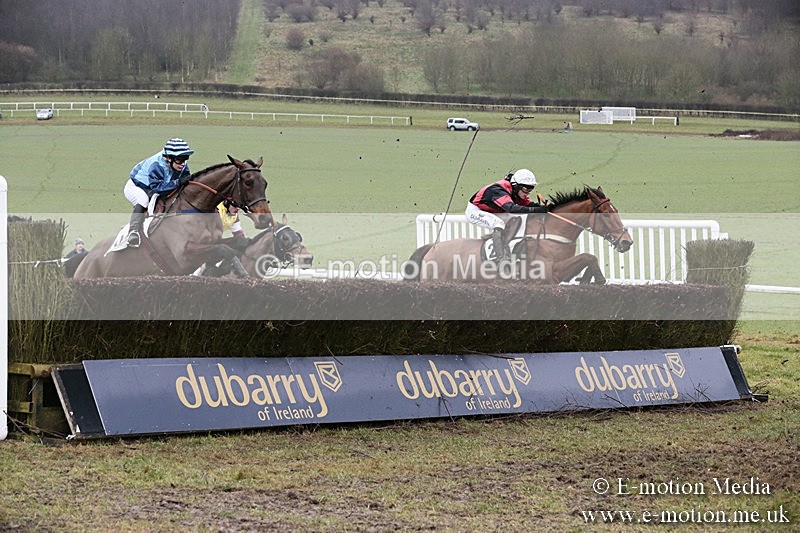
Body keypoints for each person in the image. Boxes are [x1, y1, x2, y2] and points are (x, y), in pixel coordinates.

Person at [466, 168, 550, 263]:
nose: (528, 192)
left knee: (518, 219)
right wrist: (536, 210)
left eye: (531, 189)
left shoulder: (515, 191)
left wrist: (543, 208)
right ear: (516, 186)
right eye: (526, 189)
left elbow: (528, 205)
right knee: (498, 223)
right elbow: (511, 209)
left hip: (491, 211)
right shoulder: (498, 190)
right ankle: (500, 258)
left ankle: (508, 245)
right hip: (476, 211)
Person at [124, 138, 194, 247]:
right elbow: (157, 187)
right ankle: (133, 232)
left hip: (153, 186)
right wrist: (178, 182)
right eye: (179, 160)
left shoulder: (182, 165)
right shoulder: (157, 165)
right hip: (137, 186)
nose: (183, 163)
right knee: (143, 201)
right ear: (169, 158)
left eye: (185, 158)